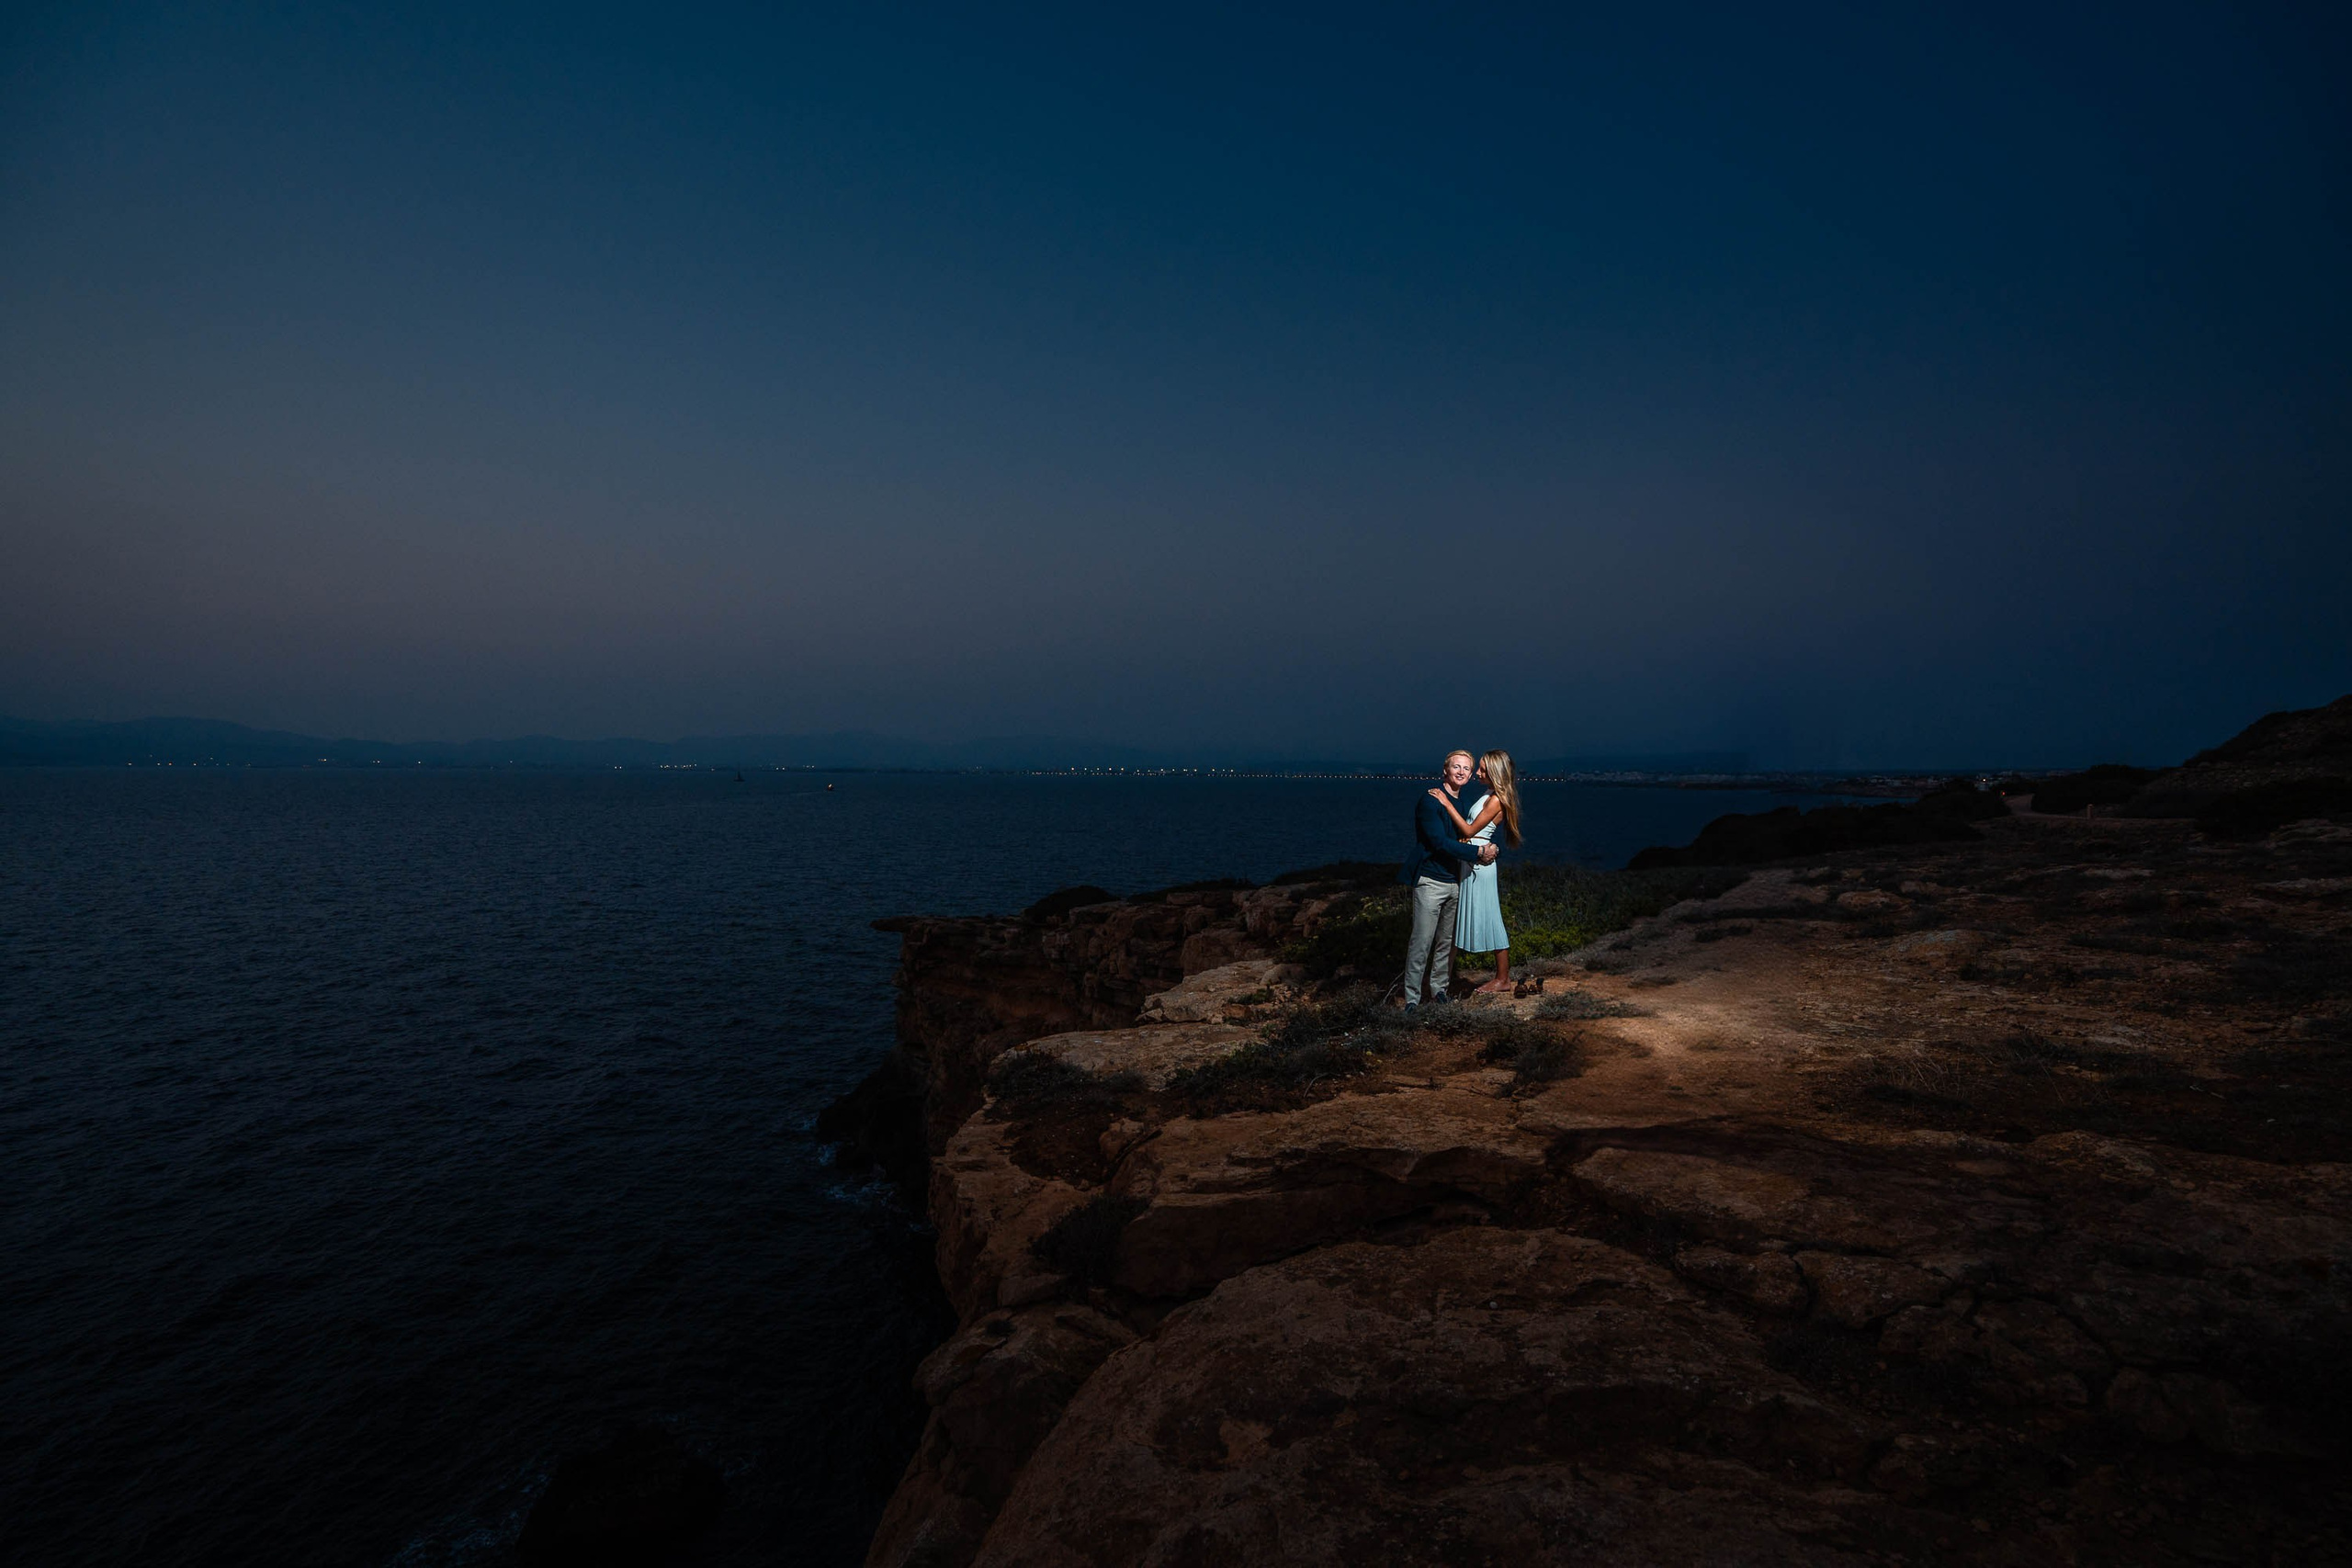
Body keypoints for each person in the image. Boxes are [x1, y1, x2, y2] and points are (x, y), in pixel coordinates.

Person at [1398, 750, 1499, 1009]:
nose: (1462, 772)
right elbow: (1440, 843)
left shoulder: (1462, 805)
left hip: (1457, 882)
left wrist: (1490, 847)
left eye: (1467, 768)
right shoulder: (1430, 801)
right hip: (1430, 882)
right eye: (1457, 767)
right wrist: (1478, 852)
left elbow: (1468, 835)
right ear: (1445, 769)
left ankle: (1439, 990)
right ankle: (1412, 998)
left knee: (1447, 943)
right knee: (1421, 942)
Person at [1429, 750, 1522, 994]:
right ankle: (1442, 981)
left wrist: (1446, 803)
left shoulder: (1495, 800)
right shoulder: (1489, 794)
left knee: (1492, 918)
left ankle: (1503, 979)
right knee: (1464, 919)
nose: (1477, 773)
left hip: (1480, 867)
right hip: (1472, 861)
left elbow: (1470, 831)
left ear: (1494, 772)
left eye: (1482, 769)